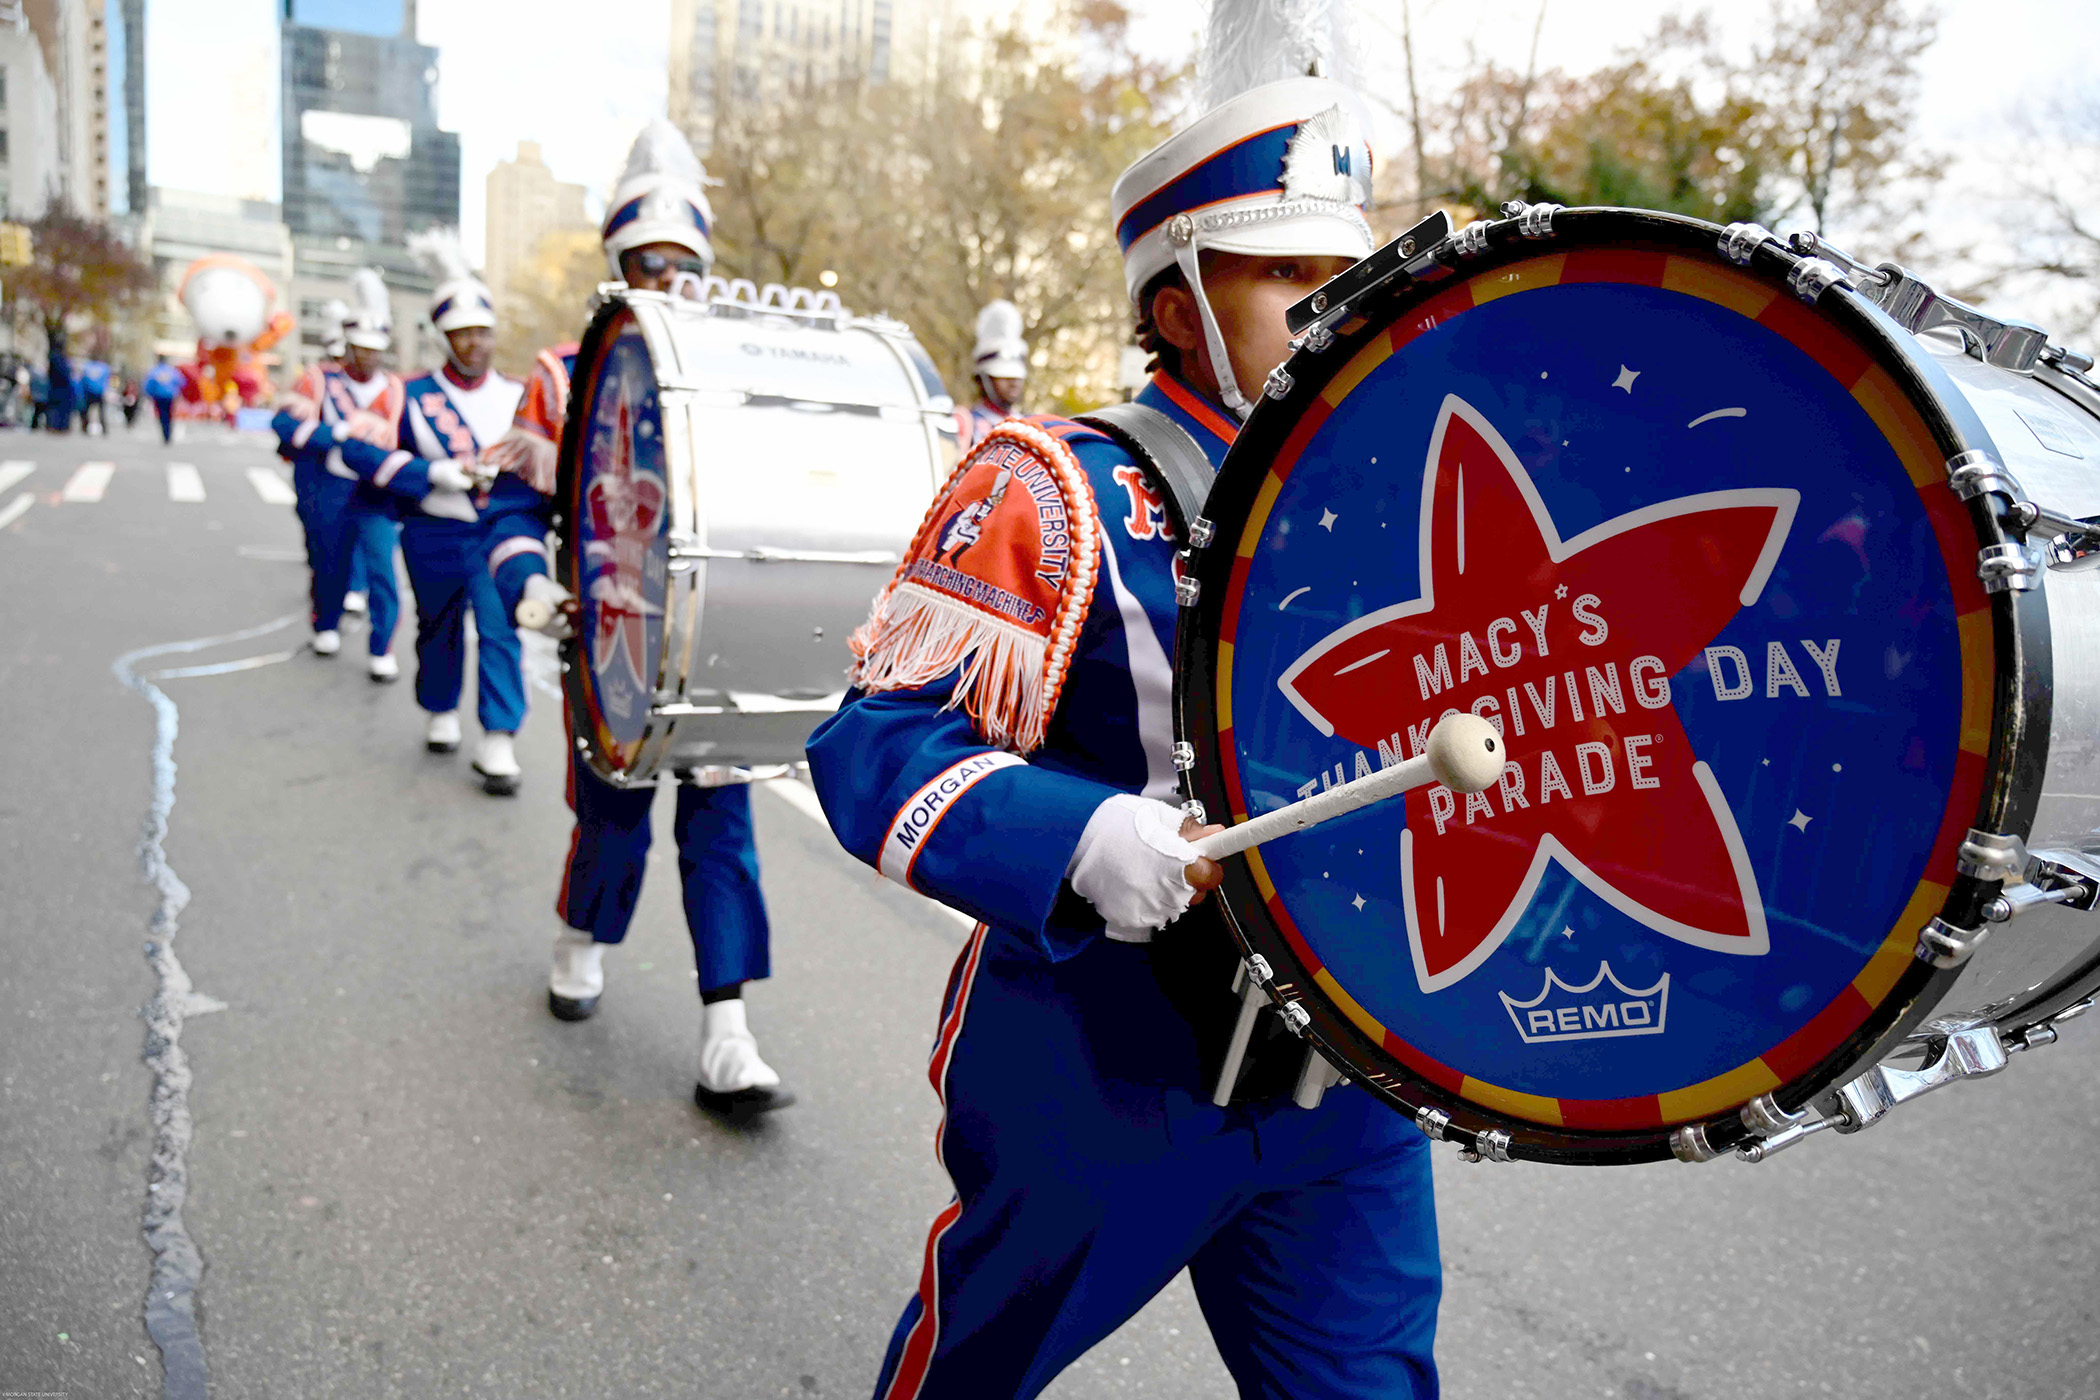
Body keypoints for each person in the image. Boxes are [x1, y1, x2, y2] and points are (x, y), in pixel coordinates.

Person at [804, 55, 1443, 1398]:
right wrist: (1081, 833)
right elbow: (871, 745)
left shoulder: (1405, 483)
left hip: (1349, 1076)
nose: (1338, 301)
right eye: (1287, 275)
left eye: (1350, 267)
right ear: (1178, 302)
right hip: (1107, 1072)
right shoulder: (1052, 485)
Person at [490, 118, 792, 1116]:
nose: (666, 278)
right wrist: (530, 584)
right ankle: (580, 936)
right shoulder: (559, 369)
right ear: (619, 262)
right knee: (614, 824)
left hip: (711, 646)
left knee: (722, 834)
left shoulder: (739, 377)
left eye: (682, 264)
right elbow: (508, 507)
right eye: (647, 261)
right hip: (613, 639)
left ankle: (728, 1030)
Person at [386, 231, 527, 793]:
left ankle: (499, 736)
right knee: (438, 624)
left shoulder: (520, 393)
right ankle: (440, 707)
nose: (473, 344)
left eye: (481, 333)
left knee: (501, 630)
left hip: (497, 532)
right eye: (461, 334)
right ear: (444, 339)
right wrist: (433, 473)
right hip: (434, 528)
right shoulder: (409, 393)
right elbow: (366, 451)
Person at [270, 274, 407, 677]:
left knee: (384, 569)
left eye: (375, 350)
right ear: (348, 347)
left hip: (377, 492)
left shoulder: (396, 388)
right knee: (329, 561)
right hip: (329, 485)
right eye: (360, 349)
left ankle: (382, 647)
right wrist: (335, 434)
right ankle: (325, 624)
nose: (367, 358)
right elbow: (285, 426)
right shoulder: (319, 380)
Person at [952, 300, 1028, 455]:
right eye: (1003, 376)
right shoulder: (964, 423)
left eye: (1017, 376)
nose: (1013, 382)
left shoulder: (1030, 426)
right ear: (983, 379)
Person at [143, 357, 184, 445]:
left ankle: (165, 434)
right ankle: (168, 433)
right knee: (169, 415)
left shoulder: (154, 371)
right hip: (170, 396)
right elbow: (181, 382)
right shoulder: (172, 371)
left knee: (162, 416)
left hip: (158, 396)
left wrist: (149, 394)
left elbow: (148, 384)